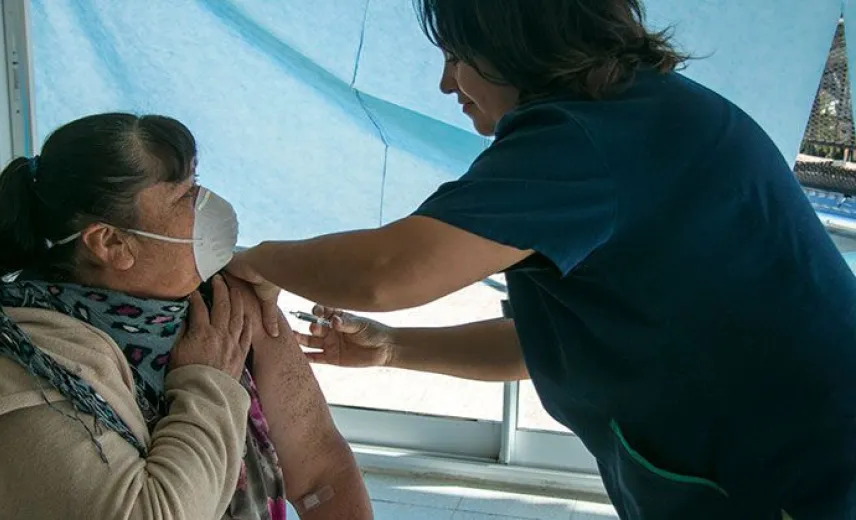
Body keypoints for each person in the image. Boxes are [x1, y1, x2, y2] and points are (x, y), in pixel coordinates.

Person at [226, 1, 856, 518]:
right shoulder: (640, 113)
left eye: (456, 57)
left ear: (516, 42)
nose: (447, 83)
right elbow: (556, 343)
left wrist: (257, 259)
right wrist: (395, 349)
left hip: (801, 481)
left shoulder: (586, 139)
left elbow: (390, 270)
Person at [0, 113, 371, 520]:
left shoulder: (227, 304)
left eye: (199, 183)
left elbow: (321, 469)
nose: (208, 206)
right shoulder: (13, 373)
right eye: (183, 196)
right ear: (110, 243)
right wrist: (208, 383)